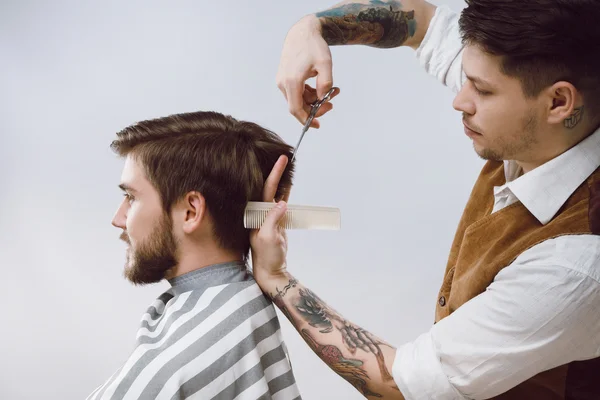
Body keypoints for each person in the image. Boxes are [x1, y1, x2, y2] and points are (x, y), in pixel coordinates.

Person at [250, 0, 600, 399]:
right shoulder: (532, 87)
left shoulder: (575, 266)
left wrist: (277, 279)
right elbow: (424, 22)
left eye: (482, 91)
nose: (460, 100)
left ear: (559, 103)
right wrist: (311, 29)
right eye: (467, 79)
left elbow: (399, 385)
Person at [87, 111, 302, 400]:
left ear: (191, 211)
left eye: (132, 197)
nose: (118, 218)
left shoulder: (169, 375)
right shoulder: (246, 304)